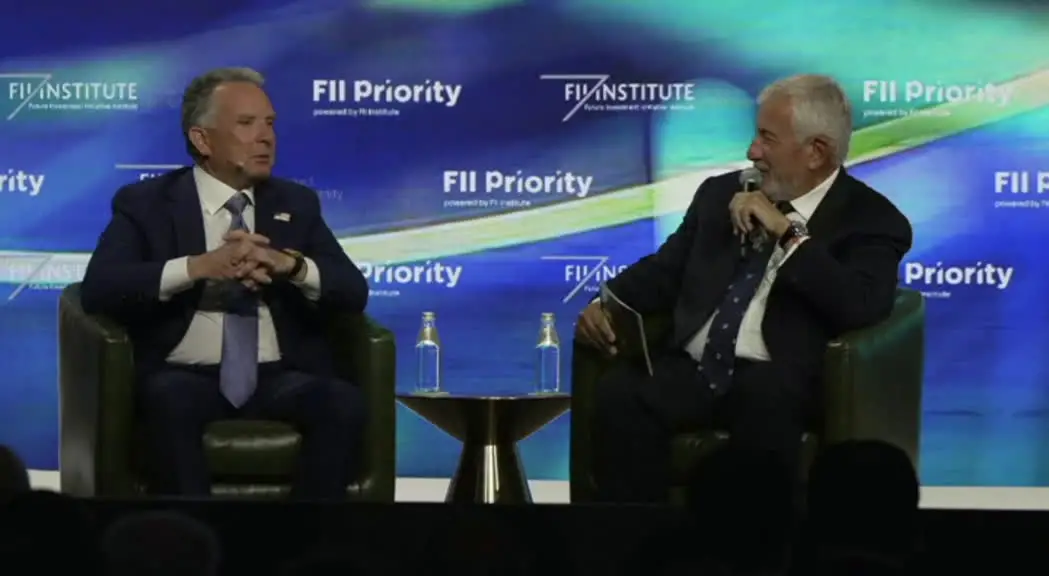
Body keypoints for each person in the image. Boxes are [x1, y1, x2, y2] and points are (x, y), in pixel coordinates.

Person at [575, 74, 912, 503]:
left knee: (766, 404)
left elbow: (861, 304)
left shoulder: (871, 218)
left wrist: (787, 234)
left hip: (778, 375)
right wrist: (606, 302)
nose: (752, 151)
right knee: (621, 394)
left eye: (767, 139)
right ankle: (638, 536)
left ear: (816, 152)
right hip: (696, 366)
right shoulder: (721, 194)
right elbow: (665, 269)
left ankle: (756, 541)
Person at [79, 67, 370, 500]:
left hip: (278, 374)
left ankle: (306, 535)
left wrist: (289, 266)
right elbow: (100, 287)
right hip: (184, 373)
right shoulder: (147, 203)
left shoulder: (295, 203)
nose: (266, 137)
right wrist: (197, 267)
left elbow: (352, 290)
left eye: (270, 124)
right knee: (168, 400)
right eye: (246, 123)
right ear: (202, 139)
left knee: (342, 403)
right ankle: (196, 535)